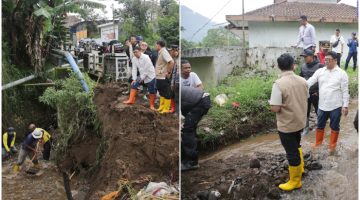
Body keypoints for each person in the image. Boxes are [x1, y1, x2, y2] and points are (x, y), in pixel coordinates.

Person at [270, 53, 308, 191]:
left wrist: (270, 105)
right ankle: (301, 168)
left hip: (286, 125)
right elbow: (305, 98)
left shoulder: (278, 84)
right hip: (300, 122)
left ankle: (295, 181)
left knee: (291, 152)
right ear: (293, 66)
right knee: (297, 145)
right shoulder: (303, 81)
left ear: (279, 67)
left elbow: (275, 108)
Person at [307, 51, 349, 152]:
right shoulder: (320, 71)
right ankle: (318, 143)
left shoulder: (342, 73)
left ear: (335, 60)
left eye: (328, 60)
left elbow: (345, 90)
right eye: (325, 60)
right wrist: (299, 84)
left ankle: (332, 145)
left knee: (334, 126)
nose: (326, 62)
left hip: (335, 105)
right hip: (322, 105)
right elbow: (310, 81)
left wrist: (345, 105)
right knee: (320, 125)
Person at [181, 86, 211, 171]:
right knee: (190, 128)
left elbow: (180, 114)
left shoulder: (174, 94)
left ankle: (192, 162)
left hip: (200, 102)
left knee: (187, 131)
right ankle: (188, 157)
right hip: (202, 100)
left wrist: (181, 123)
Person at [299, 49, 324, 135]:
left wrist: (319, 91)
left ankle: (321, 127)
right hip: (306, 92)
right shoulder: (303, 66)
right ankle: (306, 128)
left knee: (318, 110)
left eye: (306, 57)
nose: (304, 58)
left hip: (316, 93)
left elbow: (324, 80)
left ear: (312, 57)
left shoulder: (320, 66)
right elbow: (301, 78)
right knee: (306, 110)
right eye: (303, 57)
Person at [155, 40, 174, 114]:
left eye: (156, 45)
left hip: (163, 77)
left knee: (166, 92)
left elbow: (171, 62)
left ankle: (166, 108)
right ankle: (161, 106)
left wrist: (168, 72)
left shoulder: (164, 52)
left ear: (158, 45)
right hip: (159, 76)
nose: (155, 46)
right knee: (161, 92)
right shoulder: (160, 52)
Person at [170, 45, 180, 114]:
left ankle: (179, 112)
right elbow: (174, 73)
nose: (175, 52)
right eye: (174, 50)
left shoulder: (180, 60)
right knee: (176, 97)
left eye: (177, 50)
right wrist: (172, 83)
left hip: (180, 81)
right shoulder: (175, 60)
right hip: (176, 82)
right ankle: (176, 112)